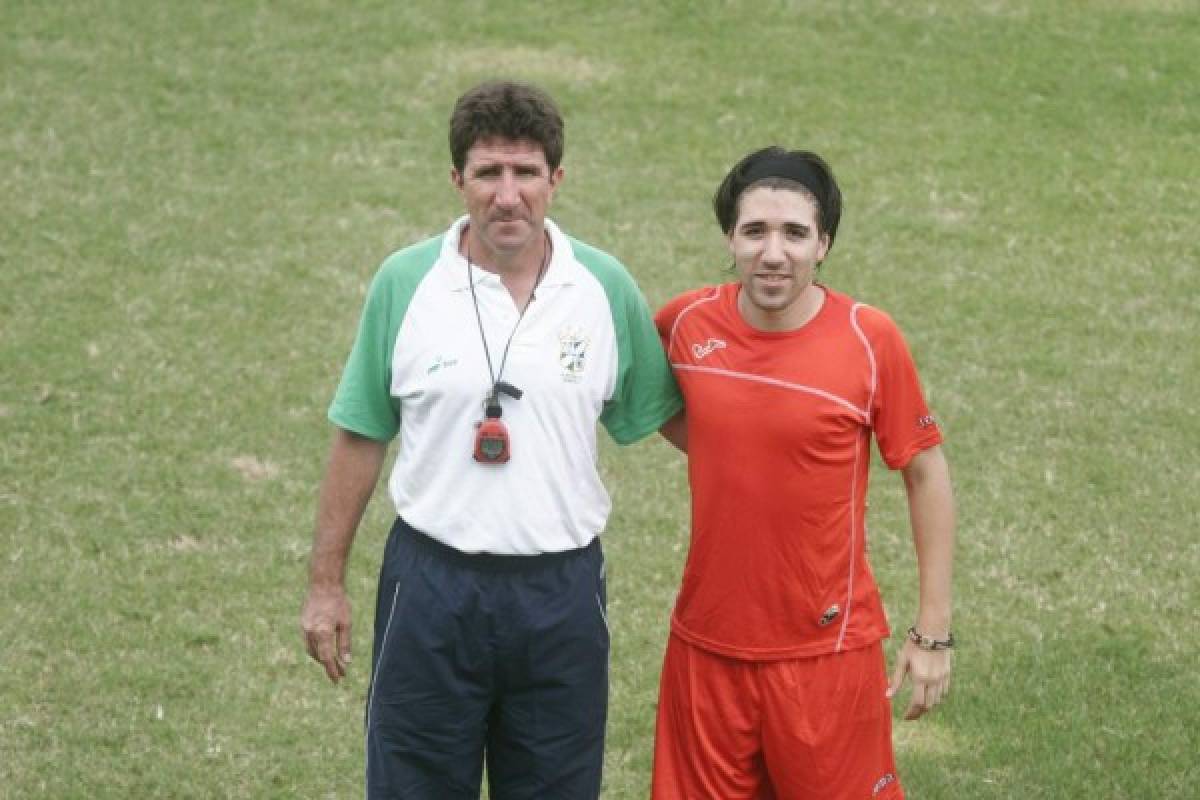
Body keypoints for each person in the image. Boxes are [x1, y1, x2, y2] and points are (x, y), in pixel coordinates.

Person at [300, 80, 682, 800]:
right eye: (488, 173)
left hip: (561, 594)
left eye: (526, 173)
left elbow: (672, 419)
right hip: (430, 588)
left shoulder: (603, 287)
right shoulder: (404, 282)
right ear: (457, 181)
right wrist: (325, 587)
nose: (508, 196)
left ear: (556, 180)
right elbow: (359, 435)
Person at [651, 147, 956, 800]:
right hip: (705, 649)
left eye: (794, 233)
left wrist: (932, 633)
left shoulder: (870, 340)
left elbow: (926, 474)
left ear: (823, 245)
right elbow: (647, 403)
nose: (773, 252)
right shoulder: (684, 324)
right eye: (755, 230)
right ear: (730, 238)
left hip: (827, 656)